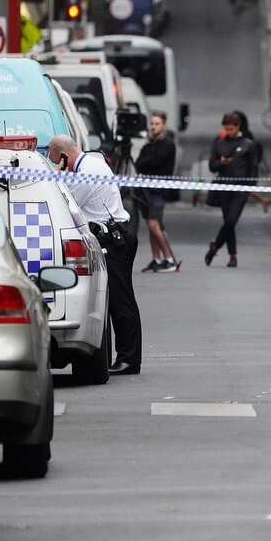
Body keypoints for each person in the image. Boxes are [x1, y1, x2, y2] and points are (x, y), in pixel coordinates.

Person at [47, 135, 143, 375]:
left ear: (63, 157)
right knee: (119, 299)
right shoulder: (90, 162)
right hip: (115, 235)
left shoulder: (85, 173)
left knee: (120, 300)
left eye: (55, 160)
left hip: (114, 238)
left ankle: (129, 359)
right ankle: (127, 357)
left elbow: (66, 204)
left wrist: (58, 175)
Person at [205, 111, 258, 268]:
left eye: (231, 129)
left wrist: (251, 187)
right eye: (226, 129)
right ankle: (232, 256)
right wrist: (221, 162)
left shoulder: (248, 144)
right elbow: (211, 166)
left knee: (231, 220)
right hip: (224, 187)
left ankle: (215, 246)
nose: (228, 132)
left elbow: (254, 168)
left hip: (241, 188)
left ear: (238, 127)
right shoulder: (219, 143)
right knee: (228, 222)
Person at [135, 110, 180, 273]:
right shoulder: (148, 145)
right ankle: (157, 258)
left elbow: (154, 162)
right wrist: (145, 162)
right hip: (145, 189)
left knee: (155, 224)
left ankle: (169, 259)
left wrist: (145, 163)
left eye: (157, 124)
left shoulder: (167, 144)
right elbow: (138, 164)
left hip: (159, 189)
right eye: (152, 124)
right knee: (151, 224)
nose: (153, 127)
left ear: (163, 125)